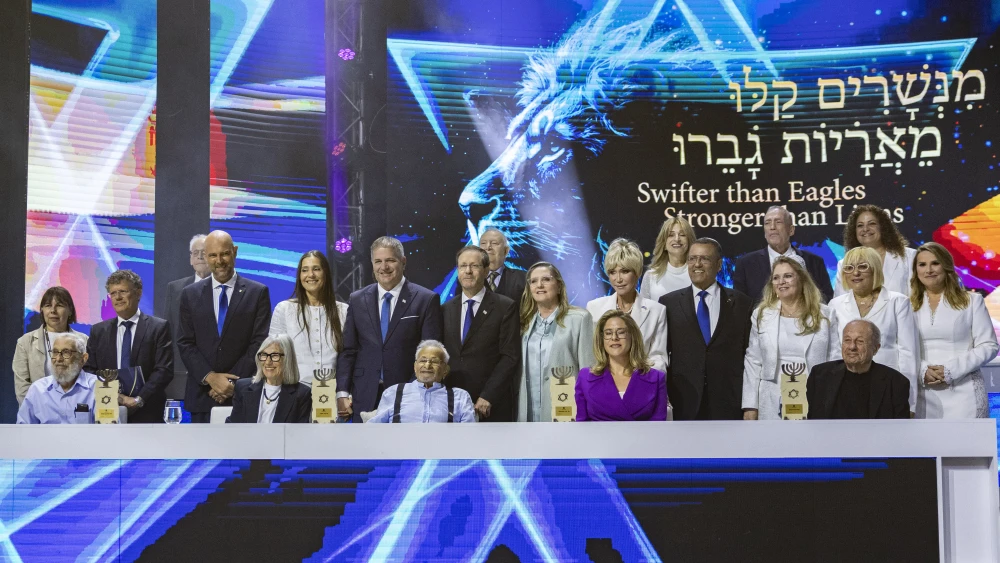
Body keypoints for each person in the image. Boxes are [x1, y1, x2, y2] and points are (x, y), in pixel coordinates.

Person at [336, 237, 443, 422]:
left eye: (390, 260)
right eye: (378, 261)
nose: (384, 267)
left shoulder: (426, 299)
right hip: (364, 394)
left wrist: (414, 391)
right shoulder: (357, 299)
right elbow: (348, 351)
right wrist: (342, 392)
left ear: (403, 262)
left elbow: (430, 354)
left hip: (408, 396)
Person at [177, 230, 272, 423]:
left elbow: (259, 343)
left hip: (242, 394)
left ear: (235, 252)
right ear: (205, 257)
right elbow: (185, 343)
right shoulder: (189, 294)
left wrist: (231, 383)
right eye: (213, 255)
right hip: (202, 395)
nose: (219, 261)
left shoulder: (257, 293)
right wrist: (211, 378)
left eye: (225, 254)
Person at [659, 237, 752, 420]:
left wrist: (750, 404)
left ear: (719, 265)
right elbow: (662, 354)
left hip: (729, 403)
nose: (697, 264)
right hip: (683, 402)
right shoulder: (669, 303)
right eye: (692, 259)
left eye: (705, 259)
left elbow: (750, 357)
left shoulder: (742, 303)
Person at [742, 257, 841, 420]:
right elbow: (753, 361)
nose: (781, 282)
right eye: (776, 277)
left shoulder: (825, 314)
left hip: (814, 394)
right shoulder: (761, 315)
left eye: (788, 276)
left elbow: (834, 358)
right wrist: (750, 405)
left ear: (802, 279)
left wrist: (831, 398)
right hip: (771, 397)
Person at [910, 242, 999, 418]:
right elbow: (902, 348)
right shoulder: (906, 305)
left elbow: (989, 345)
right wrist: (922, 371)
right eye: (922, 264)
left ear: (946, 266)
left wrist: (951, 370)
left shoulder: (972, 301)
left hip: (964, 393)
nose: (929, 270)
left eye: (935, 263)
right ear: (916, 270)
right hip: (922, 394)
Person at [828, 246, 919, 413]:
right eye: (849, 268)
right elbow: (835, 352)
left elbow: (908, 353)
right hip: (847, 387)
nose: (855, 273)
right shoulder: (835, 305)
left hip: (888, 386)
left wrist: (910, 403)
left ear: (875, 269)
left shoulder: (898, 302)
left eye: (863, 266)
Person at [83, 270, 173, 423]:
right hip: (108, 408)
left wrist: (139, 399)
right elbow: (89, 370)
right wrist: (115, 396)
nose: (118, 297)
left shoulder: (158, 327)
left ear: (138, 293)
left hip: (147, 410)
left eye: (123, 291)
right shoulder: (98, 331)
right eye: (113, 293)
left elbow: (163, 370)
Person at [442, 246, 520, 421]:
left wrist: (488, 395)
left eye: (474, 266)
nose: (468, 271)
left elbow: (510, 356)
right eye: (463, 266)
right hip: (452, 402)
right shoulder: (445, 309)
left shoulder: (505, 306)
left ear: (486, 271)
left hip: (489, 404)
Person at [518, 262, 595, 422]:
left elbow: (588, 371)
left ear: (559, 286)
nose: (539, 285)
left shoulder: (580, 318)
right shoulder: (524, 323)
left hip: (565, 405)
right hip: (528, 410)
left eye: (546, 279)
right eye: (533, 281)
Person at [587, 239, 668, 372]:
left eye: (624, 271)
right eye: (612, 272)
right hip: (605, 380)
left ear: (637, 273)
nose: (618, 279)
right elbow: (591, 356)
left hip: (642, 380)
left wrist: (635, 378)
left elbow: (659, 359)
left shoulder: (656, 311)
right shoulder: (594, 308)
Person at [269, 251, 348, 386]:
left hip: (331, 392)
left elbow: (349, 357)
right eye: (305, 270)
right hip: (293, 390)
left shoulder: (343, 310)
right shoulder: (284, 309)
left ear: (326, 273)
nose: (310, 275)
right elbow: (274, 354)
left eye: (316, 269)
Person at [807, 319, 911, 419]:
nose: (852, 347)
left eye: (860, 341)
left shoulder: (896, 383)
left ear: (875, 348)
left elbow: (900, 428)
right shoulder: (820, 376)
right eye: (847, 340)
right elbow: (813, 421)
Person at [576, 310, 667, 421]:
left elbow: (659, 426)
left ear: (632, 336)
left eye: (621, 332)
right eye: (608, 333)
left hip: (642, 433)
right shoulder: (585, 377)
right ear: (601, 339)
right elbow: (582, 425)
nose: (614, 337)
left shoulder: (656, 378)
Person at [733, 206, 834, 304]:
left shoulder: (814, 262)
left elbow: (826, 298)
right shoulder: (746, 264)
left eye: (778, 222)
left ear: (791, 230)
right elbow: (740, 304)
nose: (772, 227)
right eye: (767, 223)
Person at [367, 340, 476, 423]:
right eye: (423, 360)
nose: (427, 365)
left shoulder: (460, 397)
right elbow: (375, 430)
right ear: (415, 367)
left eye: (434, 361)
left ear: (445, 370)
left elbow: (469, 435)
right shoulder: (393, 393)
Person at [13, 287, 88, 404]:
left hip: (75, 408)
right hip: (38, 410)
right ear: (42, 310)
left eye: (59, 305)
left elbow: (89, 380)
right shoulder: (25, 342)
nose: (53, 310)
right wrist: (43, 410)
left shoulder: (84, 341)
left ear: (70, 310)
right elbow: (22, 388)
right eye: (48, 305)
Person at [833, 204, 917, 297]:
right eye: (860, 225)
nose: (865, 229)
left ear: (883, 227)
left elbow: (918, 297)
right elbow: (839, 301)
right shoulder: (844, 265)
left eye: (872, 223)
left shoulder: (909, 257)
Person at [163, 234, 209, 398]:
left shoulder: (224, 289)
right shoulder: (175, 288)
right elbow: (169, 329)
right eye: (195, 253)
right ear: (190, 258)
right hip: (182, 369)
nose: (200, 256)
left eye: (204, 252)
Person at [227, 335, 311, 423]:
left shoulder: (301, 395)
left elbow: (300, 430)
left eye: (274, 356)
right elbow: (233, 425)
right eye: (264, 355)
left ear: (287, 359)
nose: (267, 362)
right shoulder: (242, 388)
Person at [17, 334, 96, 424]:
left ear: (83, 359)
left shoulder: (98, 387)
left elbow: (106, 429)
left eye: (66, 352)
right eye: (55, 352)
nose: (58, 359)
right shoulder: (37, 389)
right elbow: (23, 429)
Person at [639, 217, 695, 303]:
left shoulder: (698, 274)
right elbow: (643, 309)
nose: (677, 239)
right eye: (671, 235)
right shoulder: (651, 276)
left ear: (689, 241)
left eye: (682, 234)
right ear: (664, 243)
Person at [479, 227, 526, 302]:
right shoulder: (470, 278)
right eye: (483, 243)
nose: (488, 247)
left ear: (506, 251)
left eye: (494, 243)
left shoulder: (523, 278)